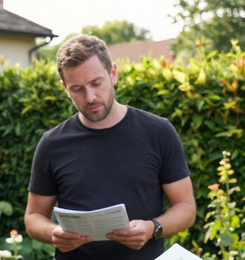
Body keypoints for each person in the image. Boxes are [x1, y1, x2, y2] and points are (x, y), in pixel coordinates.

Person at [24, 35, 196, 260]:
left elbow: (186, 207)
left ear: (113, 73)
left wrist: (153, 227)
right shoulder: (52, 144)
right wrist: (53, 232)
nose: (90, 97)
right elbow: (34, 216)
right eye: (77, 89)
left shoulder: (158, 132)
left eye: (96, 83)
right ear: (65, 88)